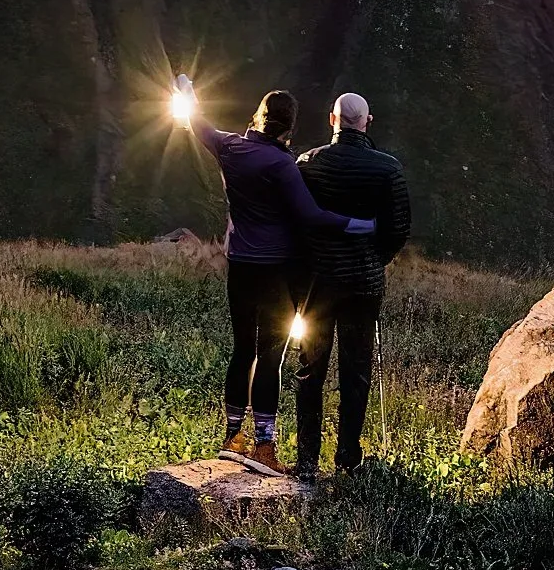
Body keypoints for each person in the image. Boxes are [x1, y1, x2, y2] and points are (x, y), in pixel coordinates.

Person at [175, 76, 375, 469]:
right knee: (270, 357)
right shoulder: (283, 164)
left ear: (259, 116)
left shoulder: (228, 146)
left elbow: (196, 122)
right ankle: (264, 447)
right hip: (274, 272)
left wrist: (186, 90)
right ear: (290, 127)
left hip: (239, 266)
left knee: (241, 350)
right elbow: (311, 216)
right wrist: (364, 225)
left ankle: (233, 437)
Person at [293, 91, 411, 475]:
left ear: (332, 120)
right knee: (356, 370)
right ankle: (347, 457)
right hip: (364, 283)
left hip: (316, 283)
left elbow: (296, 221)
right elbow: (398, 229)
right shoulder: (388, 169)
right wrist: (375, 259)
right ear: (367, 122)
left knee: (310, 368)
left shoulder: (307, 164)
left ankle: (307, 459)